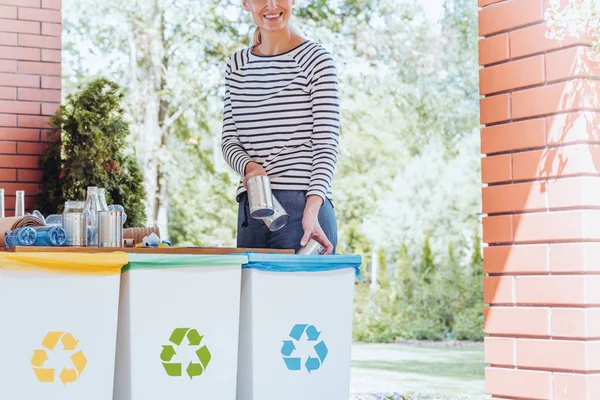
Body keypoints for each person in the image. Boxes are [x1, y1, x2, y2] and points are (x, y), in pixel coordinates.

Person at [221, 0, 340, 254]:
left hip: (303, 210)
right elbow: (229, 141)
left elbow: (326, 144)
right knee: (253, 295)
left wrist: (312, 210)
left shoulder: (316, 60)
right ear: (246, 4)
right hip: (252, 208)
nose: (271, 5)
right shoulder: (237, 65)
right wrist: (250, 168)